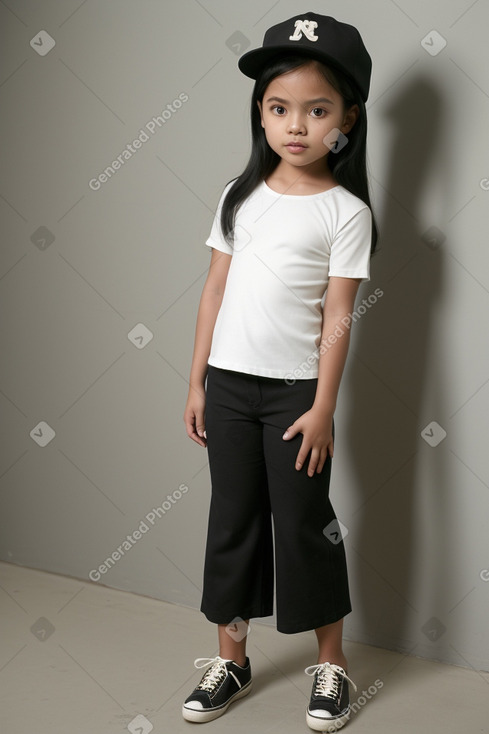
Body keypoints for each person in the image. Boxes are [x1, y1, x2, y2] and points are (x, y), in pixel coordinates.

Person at [182, 11, 377, 732]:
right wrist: (197, 382)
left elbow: (337, 316)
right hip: (229, 388)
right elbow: (211, 291)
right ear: (259, 114)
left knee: (302, 524)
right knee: (230, 522)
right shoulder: (240, 198)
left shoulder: (345, 212)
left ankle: (332, 664)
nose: (296, 125)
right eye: (278, 108)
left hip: (296, 395)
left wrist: (324, 406)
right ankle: (230, 658)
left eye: (316, 109)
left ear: (347, 119)